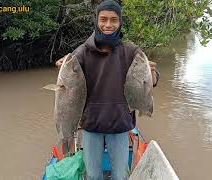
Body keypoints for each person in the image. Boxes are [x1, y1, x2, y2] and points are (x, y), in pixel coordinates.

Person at [55, 1, 159, 179]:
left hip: (119, 124)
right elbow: (70, 75)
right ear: (96, 21)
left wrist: (151, 74)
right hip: (91, 124)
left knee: (120, 175)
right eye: (103, 19)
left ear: (120, 23)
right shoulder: (82, 52)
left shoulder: (130, 50)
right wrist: (64, 64)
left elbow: (153, 79)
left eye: (114, 20)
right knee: (93, 175)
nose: (108, 24)